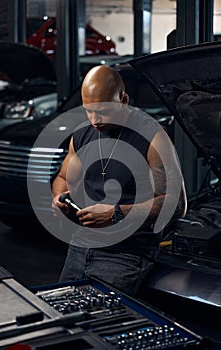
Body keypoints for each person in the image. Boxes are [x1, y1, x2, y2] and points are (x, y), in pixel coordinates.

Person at [52, 65, 187, 296]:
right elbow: (64, 177)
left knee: (102, 322)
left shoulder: (153, 136)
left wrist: (116, 212)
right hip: (81, 244)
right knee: (62, 316)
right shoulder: (83, 133)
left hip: (127, 252)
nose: (94, 119)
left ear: (123, 99)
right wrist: (59, 198)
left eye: (103, 110)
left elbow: (177, 203)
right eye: (88, 110)